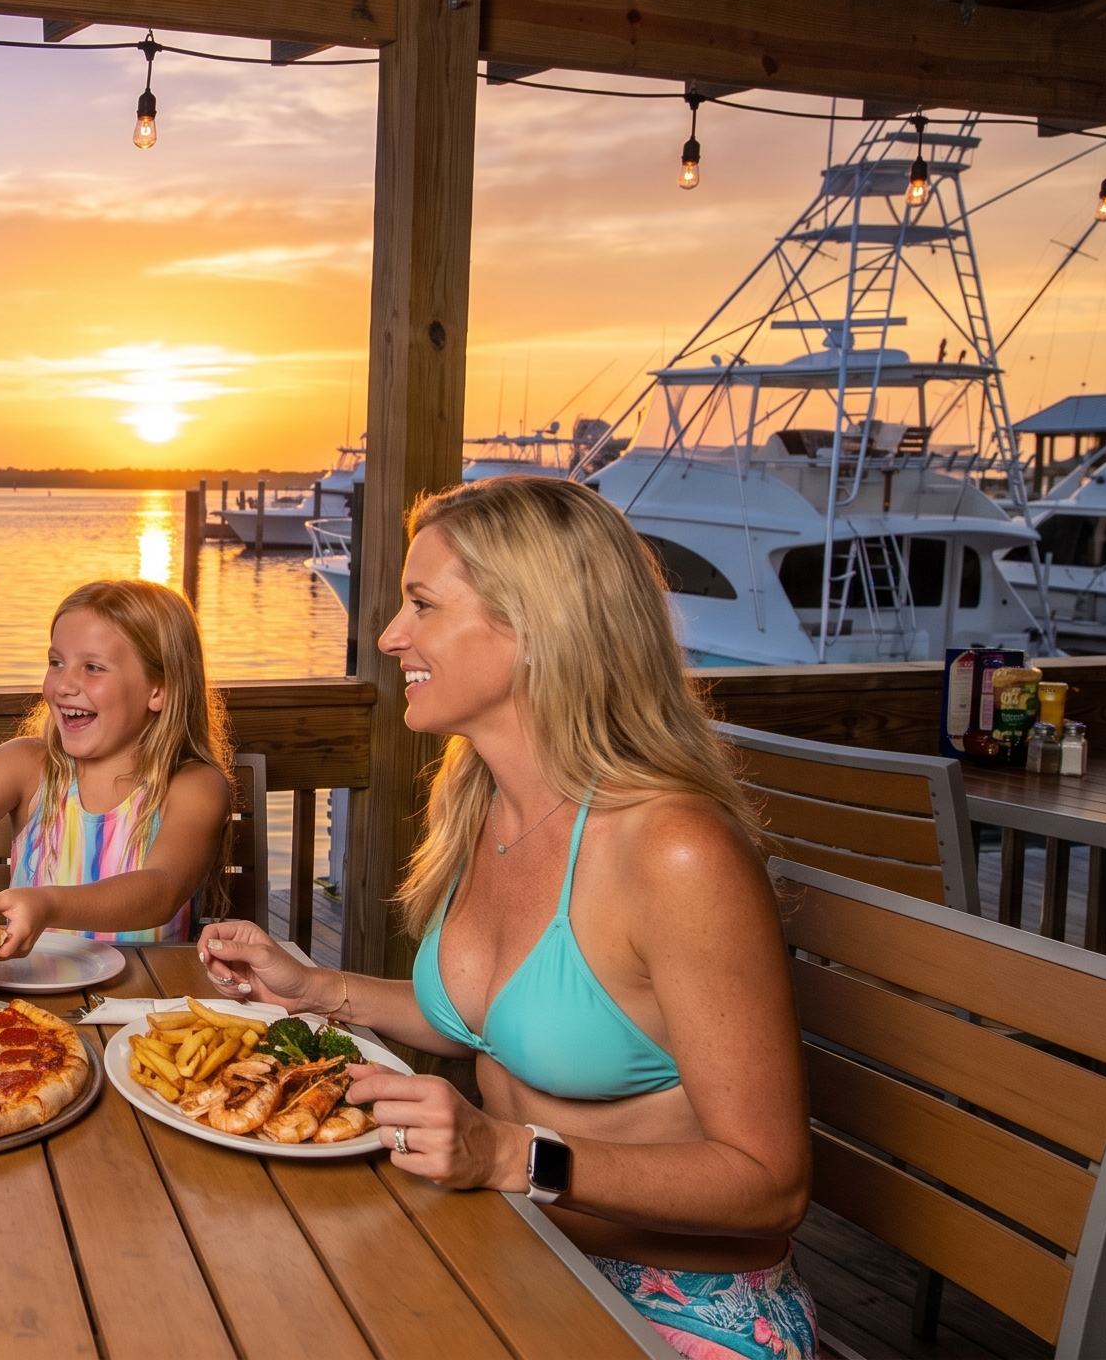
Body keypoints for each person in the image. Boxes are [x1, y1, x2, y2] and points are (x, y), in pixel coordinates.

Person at [199, 475, 816, 1360]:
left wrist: (508, 1157)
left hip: (678, 1308)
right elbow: (493, 1022)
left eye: (421, 604)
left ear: (534, 625)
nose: (389, 636)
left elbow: (770, 1185)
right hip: (510, 1252)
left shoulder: (675, 852)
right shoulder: (483, 799)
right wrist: (314, 987)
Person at [0, 579, 229, 959]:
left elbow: (162, 889)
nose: (64, 684)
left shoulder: (194, 786)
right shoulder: (25, 767)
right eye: (56, 662)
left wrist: (48, 904)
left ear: (158, 690)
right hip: (30, 1000)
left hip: (147, 1000)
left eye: (93, 667)